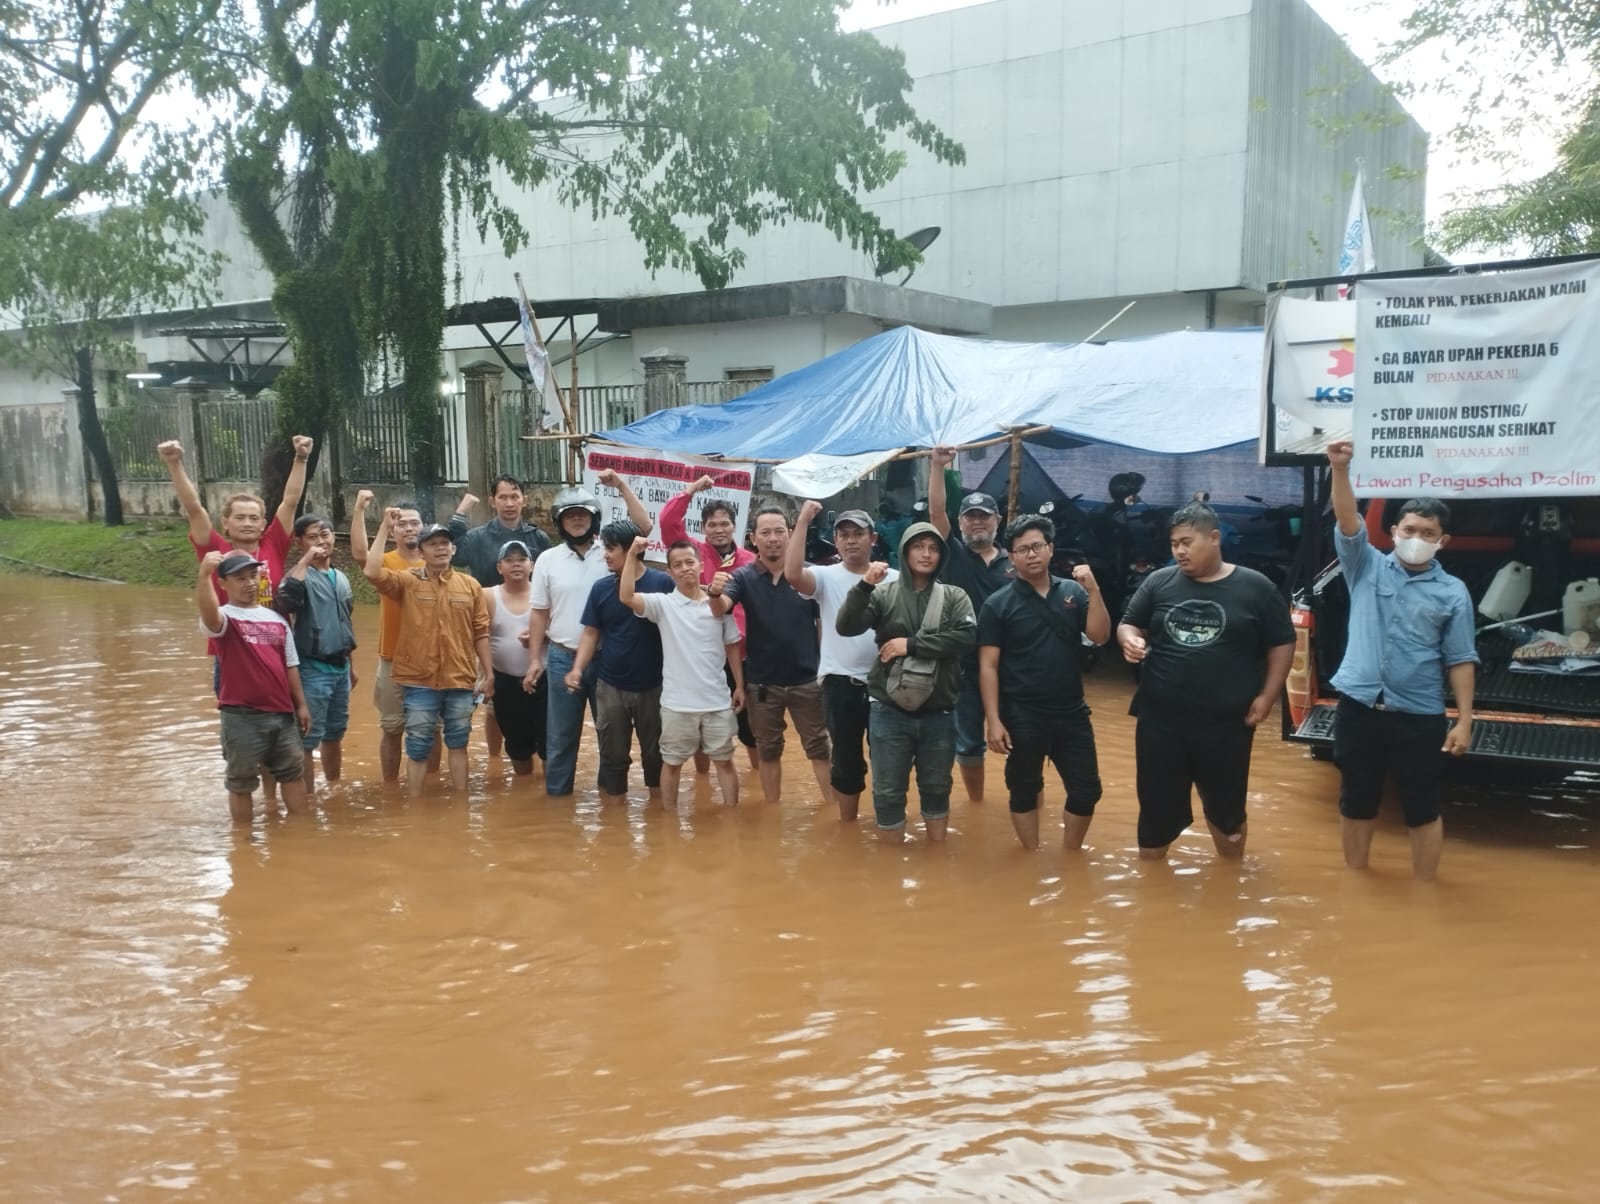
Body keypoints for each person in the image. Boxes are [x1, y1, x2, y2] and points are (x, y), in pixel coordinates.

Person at [1324, 440, 1477, 881]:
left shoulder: (1452, 592)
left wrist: (1464, 720)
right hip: (1358, 707)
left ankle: (1425, 891)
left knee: (1423, 808)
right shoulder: (1364, 566)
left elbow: (1461, 659)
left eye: (1428, 534)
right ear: (1392, 532)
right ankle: (1356, 882)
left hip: (1420, 715)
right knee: (1356, 800)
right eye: (1409, 530)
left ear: (1442, 541)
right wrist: (1340, 469)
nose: (1417, 540)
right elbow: (1347, 518)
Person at [1115, 501, 1297, 862]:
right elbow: (1128, 622)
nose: (1179, 551)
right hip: (1160, 722)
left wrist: (1268, 696)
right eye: (1174, 544)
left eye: (1187, 542)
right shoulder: (1159, 581)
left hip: (1226, 724)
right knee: (1155, 811)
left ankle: (1230, 880)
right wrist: (1129, 640)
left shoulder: (1255, 587)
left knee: (1227, 813)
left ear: (1214, 538)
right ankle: (1152, 892)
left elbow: (1283, 642)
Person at [836, 522, 977, 843]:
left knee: (938, 787)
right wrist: (863, 587)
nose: (926, 554)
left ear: (941, 555)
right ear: (905, 551)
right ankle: (889, 872)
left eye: (933, 548)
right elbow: (846, 626)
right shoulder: (883, 593)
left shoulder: (955, 596)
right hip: (889, 711)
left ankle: (936, 860)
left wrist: (910, 645)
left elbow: (967, 637)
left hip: (940, 712)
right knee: (887, 791)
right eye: (918, 547)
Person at [978, 514, 1110, 851]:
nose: (1031, 554)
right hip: (1022, 712)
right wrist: (993, 721)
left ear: (1050, 549)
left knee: (1087, 789)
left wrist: (1093, 590)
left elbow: (1099, 636)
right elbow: (988, 666)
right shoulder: (998, 604)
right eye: (1022, 549)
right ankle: (1030, 855)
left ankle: (1071, 854)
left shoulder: (1074, 594)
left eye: (1037, 546)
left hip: (1071, 710)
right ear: (1011, 556)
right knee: (1023, 788)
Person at [364, 511, 492, 797]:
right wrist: (384, 528)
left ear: (454, 549)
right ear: (420, 551)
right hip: (419, 680)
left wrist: (489, 674)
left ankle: (461, 803)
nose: (441, 548)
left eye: (445, 543)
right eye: (433, 543)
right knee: (418, 745)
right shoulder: (407, 582)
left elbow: (481, 632)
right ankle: (415, 806)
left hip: (460, 678)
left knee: (458, 742)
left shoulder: (470, 586)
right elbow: (371, 572)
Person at [785, 499, 898, 821]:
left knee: (887, 757)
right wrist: (804, 520)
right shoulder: (824, 576)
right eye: (844, 534)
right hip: (840, 682)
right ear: (835, 541)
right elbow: (792, 573)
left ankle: (886, 822)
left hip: (885, 683)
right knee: (846, 760)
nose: (851, 540)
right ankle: (847, 828)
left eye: (858, 534)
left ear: (872, 539)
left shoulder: (892, 579)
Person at [712, 506, 832, 804]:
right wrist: (714, 593)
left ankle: (834, 809)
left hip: (807, 680)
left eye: (780, 531)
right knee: (768, 750)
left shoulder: (808, 577)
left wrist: (824, 670)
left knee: (819, 747)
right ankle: (772, 811)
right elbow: (720, 609)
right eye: (765, 532)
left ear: (791, 535)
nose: (773, 538)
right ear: (753, 539)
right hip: (762, 683)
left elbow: (821, 627)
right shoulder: (742, 577)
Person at [618, 537, 745, 810]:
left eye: (690, 562)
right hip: (677, 704)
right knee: (672, 763)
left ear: (701, 565)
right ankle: (668, 820)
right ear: (670, 572)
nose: (685, 568)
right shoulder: (663, 605)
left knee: (724, 761)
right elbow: (626, 596)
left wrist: (740, 686)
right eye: (678, 565)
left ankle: (732, 819)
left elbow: (732, 646)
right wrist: (631, 555)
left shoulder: (719, 605)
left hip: (717, 701)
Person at [654, 472, 760, 770]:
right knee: (701, 726)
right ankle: (702, 784)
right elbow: (666, 523)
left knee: (751, 725)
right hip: (702, 654)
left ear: (734, 527)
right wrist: (693, 489)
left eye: (724, 523)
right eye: (711, 524)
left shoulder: (750, 561)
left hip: (744, 652)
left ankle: (758, 780)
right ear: (702, 528)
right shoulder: (694, 557)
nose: (718, 529)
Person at [196, 550, 310, 823]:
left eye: (253, 576)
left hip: (283, 715)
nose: (249, 583)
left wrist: (302, 705)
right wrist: (203, 577)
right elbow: (209, 615)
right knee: (241, 783)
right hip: (242, 718)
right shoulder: (224, 618)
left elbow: (290, 665)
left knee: (293, 775)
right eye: (240, 578)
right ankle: (243, 845)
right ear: (223, 584)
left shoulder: (277, 620)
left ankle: (303, 834)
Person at [927, 445, 1013, 803]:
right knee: (968, 740)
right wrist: (936, 467)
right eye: (970, 517)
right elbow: (935, 513)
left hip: (1012, 664)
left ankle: (1023, 798)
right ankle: (976, 804)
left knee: (1021, 734)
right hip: (962, 664)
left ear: (997, 521)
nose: (977, 522)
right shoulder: (954, 555)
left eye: (984, 516)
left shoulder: (1016, 562)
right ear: (961, 523)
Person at [567, 519, 673, 805]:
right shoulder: (601, 588)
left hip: (655, 685)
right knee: (612, 755)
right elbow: (591, 633)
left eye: (611, 548)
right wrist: (577, 669)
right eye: (605, 548)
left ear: (631, 550)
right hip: (611, 684)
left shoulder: (662, 583)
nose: (605, 554)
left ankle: (660, 818)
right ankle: (613, 828)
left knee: (656, 755)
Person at [446, 474, 552, 757]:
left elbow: (551, 578)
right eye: (502, 497)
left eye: (514, 497)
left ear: (524, 501)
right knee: (493, 702)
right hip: (490, 624)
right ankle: (495, 758)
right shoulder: (479, 536)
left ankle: (531, 755)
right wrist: (461, 512)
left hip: (534, 620)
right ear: (493, 502)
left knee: (540, 699)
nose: (509, 503)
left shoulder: (537, 537)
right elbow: (453, 555)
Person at [159, 435, 313, 609]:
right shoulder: (214, 550)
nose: (247, 523)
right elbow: (194, 508)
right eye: (240, 517)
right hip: (231, 634)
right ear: (225, 523)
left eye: (254, 518)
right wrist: (174, 464)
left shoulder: (274, 544)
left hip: (273, 634)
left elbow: (290, 501)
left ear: (262, 525)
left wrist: (301, 458)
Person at [524, 485, 608, 796]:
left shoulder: (611, 554)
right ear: (560, 523)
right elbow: (539, 614)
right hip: (561, 656)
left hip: (606, 657)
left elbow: (644, 528)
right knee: (560, 737)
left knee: (610, 735)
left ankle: (611, 801)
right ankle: (558, 805)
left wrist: (620, 486)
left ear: (594, 519)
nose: (576, 521)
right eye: (570, 516)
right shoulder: (547, 560)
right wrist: (535, 660)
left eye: (582, 515)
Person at [350, 490, 439, 783]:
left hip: (432, 658)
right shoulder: (385, 560)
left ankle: (433, 783)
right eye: (402, 523)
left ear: (423, 527)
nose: (409, 528)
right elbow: (362, 556)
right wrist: (367, 515)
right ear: (394, 530)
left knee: (432, 727)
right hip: (393, 658)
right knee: (391, 727)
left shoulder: (436, 562)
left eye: (414, 523)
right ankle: (390, 788)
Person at [276, 513, 358, 800]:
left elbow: (346, 623)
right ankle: (307, 797)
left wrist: (352, 667)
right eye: (312, 537)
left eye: (326, 535)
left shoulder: (342, 578)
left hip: (340, 668)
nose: (321, 542)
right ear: (300, 542)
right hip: (312, 670)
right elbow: (285, 599)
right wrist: (305, 560)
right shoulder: (299, 576)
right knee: (307, 739)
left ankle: (334, 787)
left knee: (335, 733)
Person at [484, 540, 546, 778]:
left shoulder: (546, 593)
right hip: (505, 681)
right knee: (517, 747)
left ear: (532, 565)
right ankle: (524, 789)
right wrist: (485, 675)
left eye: (522, 559)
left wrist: (542, 637)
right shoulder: (487, 595)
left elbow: (564, 630)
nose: (516, 564)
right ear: (500, 567)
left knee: (550, 743)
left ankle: (552, 800)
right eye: (510, 560)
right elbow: (477, 636)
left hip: (545, 677)